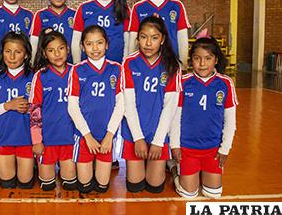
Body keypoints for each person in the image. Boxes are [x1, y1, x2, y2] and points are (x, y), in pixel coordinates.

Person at [170, 37, 237, 199]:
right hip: (188, 148)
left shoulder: (225, 83)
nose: (202, 63)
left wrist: (225, 149)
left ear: (216, 60)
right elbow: (175, 117)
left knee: (213, 194)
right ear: (191, 59)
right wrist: (175, 145)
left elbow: (230, 121)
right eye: (197, 58)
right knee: (188, 195)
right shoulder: (183, 82)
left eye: (208, 58)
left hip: (212, 149)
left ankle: (199, 173)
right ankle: (174, 169)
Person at [121, 16, 181, 193]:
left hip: (158, 132)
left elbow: (170, 108)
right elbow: (128, 104)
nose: (148, 43)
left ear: (162, 39)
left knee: (155, 188)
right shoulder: (129, 63)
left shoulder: (172, 65)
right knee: (135, 187)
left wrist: (158, 141)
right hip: (134, 132)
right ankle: (149, 160)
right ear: (137, 38)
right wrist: (138, 139)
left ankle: (171, 167)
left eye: (154, 38)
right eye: (143, 37)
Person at [67, 25, 124, 193]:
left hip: (107, 135)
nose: (95, 48)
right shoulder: (77, 70)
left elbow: (121, 105)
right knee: (84, 187)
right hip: (84, 135)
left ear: (107, 44)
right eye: (89, 44)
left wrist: (109, 135)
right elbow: (72, 107)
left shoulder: (116, 68)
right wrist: (87, 136)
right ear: (82, 46)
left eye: (99, 43)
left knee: (102, 187)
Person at [0, 31, 35, 189]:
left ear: (26, 55)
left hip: (26, 139)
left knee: (25, 184)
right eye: (8, 51)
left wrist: (29, 109)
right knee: (7, 184)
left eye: (18, 52)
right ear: (2, 53)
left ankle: (34, 166)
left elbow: (43, 110)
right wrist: (9, 105)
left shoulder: (34, 77)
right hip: (4, 138)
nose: (12, 57)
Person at [30, 29, 77, 191]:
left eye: (61, 48)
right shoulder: (41, 76)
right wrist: (37, 140)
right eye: (51, 50)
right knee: (47, 186)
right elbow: (34, 110)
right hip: (48, 139)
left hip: (70, 138)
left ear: (68, 49)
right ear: (44, 53)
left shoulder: (76, 72)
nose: (57, 54)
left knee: (70, 184)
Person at [128, 0, 190, 69]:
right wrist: (131, 63)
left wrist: (183, 65)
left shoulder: (177, 6)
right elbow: (133, 39)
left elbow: (182, 38)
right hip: (144, 63)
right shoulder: (138, 7)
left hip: (171, 62)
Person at [71, 0, 130, 64]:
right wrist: (77, 65)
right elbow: (76, 40)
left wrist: (125, 63)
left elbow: (127, 41)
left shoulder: (124, 8)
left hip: (116, 64)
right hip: (88, 65)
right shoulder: (84, 8)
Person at [30, 0, 75, 64]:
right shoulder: (40, 15)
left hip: (70, 63)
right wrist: (32, 64)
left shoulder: (74, 14)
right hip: (47, 65)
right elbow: (34, 44)